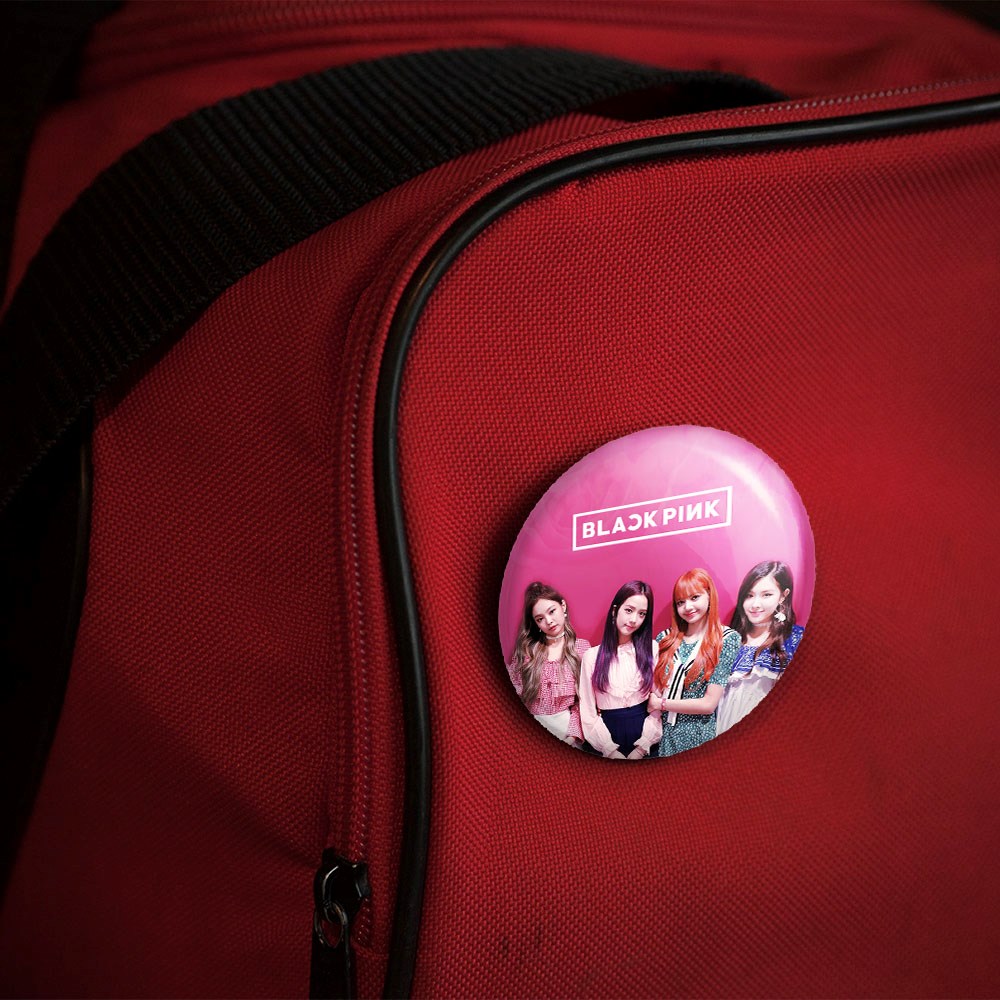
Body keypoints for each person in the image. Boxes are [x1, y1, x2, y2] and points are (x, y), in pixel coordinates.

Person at [650, 568, 740, 757]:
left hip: (697, 737)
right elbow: (653, 687)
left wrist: (661, 704)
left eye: (694, 597)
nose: (688, 607)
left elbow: (708, 704)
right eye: (680, 602)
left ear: (709, 596)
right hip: (660, 735)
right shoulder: (665, 639)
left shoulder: (726, 639)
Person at [716, 561, 804, 735]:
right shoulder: (729, 639)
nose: (755, 604)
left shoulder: (793, 639)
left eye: (766, 595)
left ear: (783, 596)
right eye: (749, 595)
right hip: (721, 730)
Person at [578, 581, 660, 759]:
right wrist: (610, 750)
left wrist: (641, 748)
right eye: (629, 610)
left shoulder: (652, 649)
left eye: (642, 614)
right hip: (607, 738)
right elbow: (587, 711)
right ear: (615, 611)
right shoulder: (591, 657)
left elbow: (657, 704)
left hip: (644, 738)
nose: (634, 620)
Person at [507, 582, 590, 745]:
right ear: (536, 623)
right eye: (540, 619)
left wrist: (572, 737)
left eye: (552, 611)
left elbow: (584, 703)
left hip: (566, 731)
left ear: (563, 606)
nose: (549, 621)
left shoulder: (581, 648)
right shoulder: (527, 651)